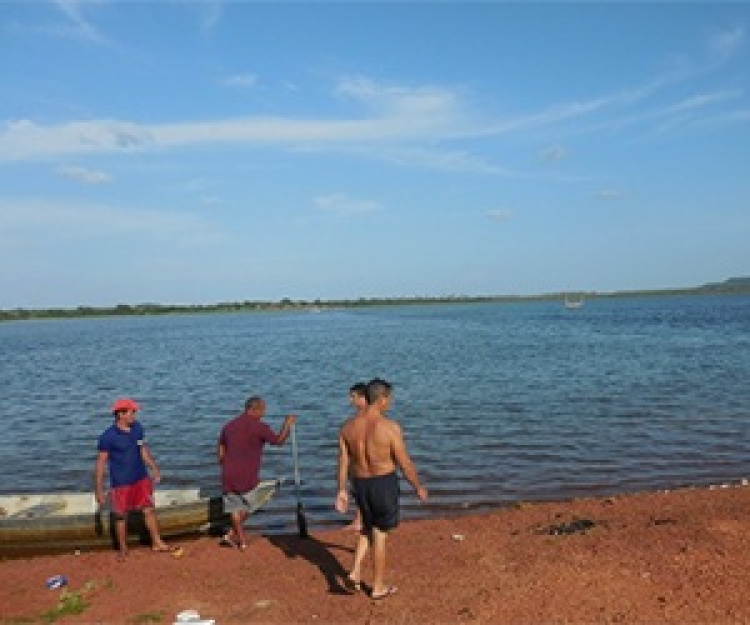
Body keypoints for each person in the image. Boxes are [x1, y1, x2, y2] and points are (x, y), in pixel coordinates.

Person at [335, 378, 428, 599]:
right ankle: (377, 587)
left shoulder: (347, 428)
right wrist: (417, 486)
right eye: (390, 398)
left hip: (360, 484)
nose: (390, 403)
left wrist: (341, 489)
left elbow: (343, 463)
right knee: (380, 534)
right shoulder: (389, 427)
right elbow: (404, 462)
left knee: (368, 527)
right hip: (383, 482)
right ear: (382, 399)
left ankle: (355, 573)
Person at [94, 397, 175, 559]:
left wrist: (154, 468)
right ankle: (123, 549)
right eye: (132, 412)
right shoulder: (108, 437)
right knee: (120, 516)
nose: (135, 415)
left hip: (141, 478)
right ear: (121, 414)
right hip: (121, 483)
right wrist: (99, 490)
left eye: (134, 412)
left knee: (149, 510)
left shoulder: (138, 428)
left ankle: (157, 542)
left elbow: (143, 450)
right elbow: (101, 464)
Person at [217, 396, 296, 550]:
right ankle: (242, 540)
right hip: (247, 473)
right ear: (254, 409)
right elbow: (278, 441)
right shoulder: (259, 427)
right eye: (262, 410)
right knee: (249, 506)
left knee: (234, 508)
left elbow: (220, 446)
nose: (263, 413)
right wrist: (286, 425)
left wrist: (223, 463)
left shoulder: (228, 426)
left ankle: (233, 535)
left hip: (229, 471)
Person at [344, 382, 368, 532]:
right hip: (357, 459)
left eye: (353, 396)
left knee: (361, 489)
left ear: (362, 397)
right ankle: (360, 519)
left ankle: (359, 520)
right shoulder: (359, 416)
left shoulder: (367, 416)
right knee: (358, 489)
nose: (350, 400)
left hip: (363, 461)